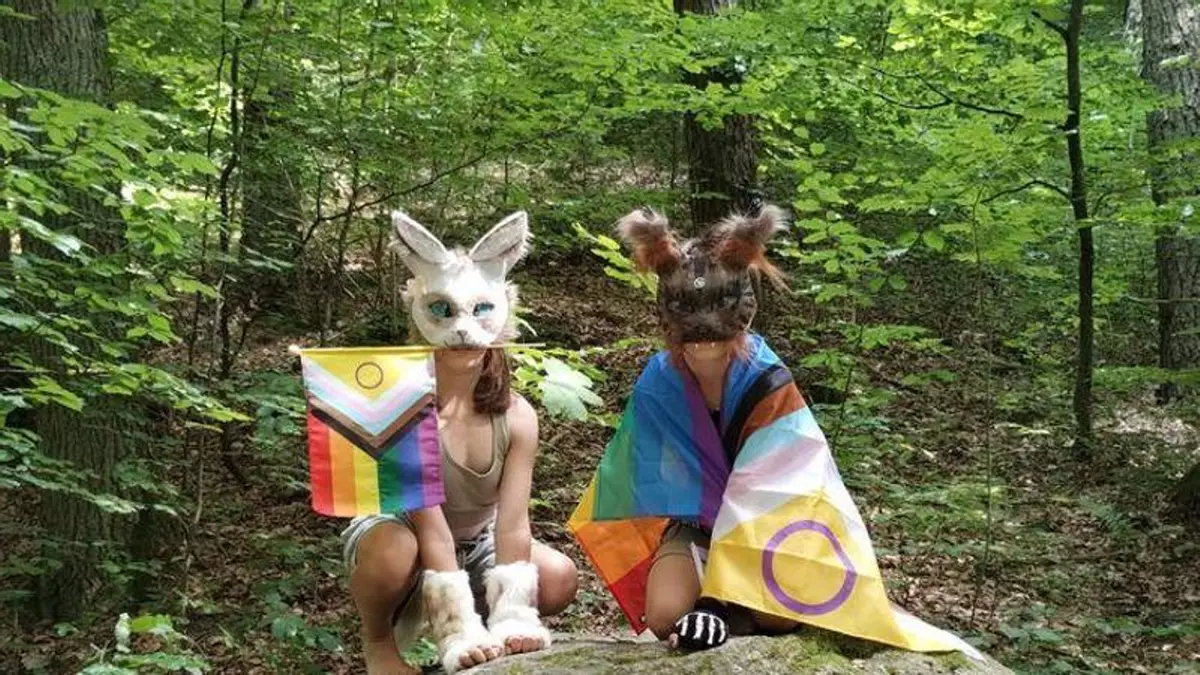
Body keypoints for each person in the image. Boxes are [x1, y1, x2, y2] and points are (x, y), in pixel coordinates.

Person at [343, 211, 578, 675]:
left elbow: (513, 524)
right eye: (444, 311)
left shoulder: (518, 416)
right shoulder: (401, 409)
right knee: (393, 550)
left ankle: (492, 621)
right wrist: (456, 632)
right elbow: (430, 528)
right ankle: (379, 642)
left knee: (558, 576)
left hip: (477, 542)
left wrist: (515, 614)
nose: (463, 331)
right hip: (402, 534)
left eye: (480, 311)